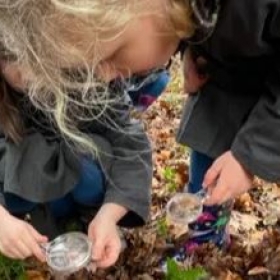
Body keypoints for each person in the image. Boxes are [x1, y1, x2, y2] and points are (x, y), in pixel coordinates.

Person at [1, 0, 280, 268]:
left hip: (262, 92)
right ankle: (206, 232)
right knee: (209, 140)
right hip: (224, 73)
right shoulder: (163, 19)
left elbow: (128, 142)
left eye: (110, 58)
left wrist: (247, 157)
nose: (106, 76)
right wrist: (192, 48)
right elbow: (192, 15)